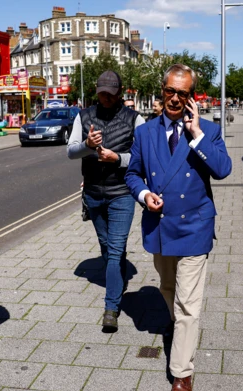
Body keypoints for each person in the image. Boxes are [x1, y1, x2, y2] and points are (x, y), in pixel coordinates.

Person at [125, 64, 232, 391]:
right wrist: (144, 195)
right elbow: (133, 174)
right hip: (160, 226)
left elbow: (223, 169)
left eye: (182, 93)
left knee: (188, 304)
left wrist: (197, 133)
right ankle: (179, 329)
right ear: (162, 91)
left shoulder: (209, 131)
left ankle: (182, 372)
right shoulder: (145, 133)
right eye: (170, 91)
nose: (174, 98)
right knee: (167, 288)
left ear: (191, 98)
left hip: (194, 226)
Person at [67, 70, 144, 331]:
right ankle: (117, 281)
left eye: (111, 94)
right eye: (102, 93)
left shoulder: (135, 119)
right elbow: (70, 152)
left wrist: (118, 159)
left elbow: (145, 158)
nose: (106, 98)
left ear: (120, 92)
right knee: (108, 247)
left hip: (122, 192)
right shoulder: (84, 115)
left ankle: (111, 307)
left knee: (115, 248)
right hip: (93, 194)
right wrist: (88, 144)